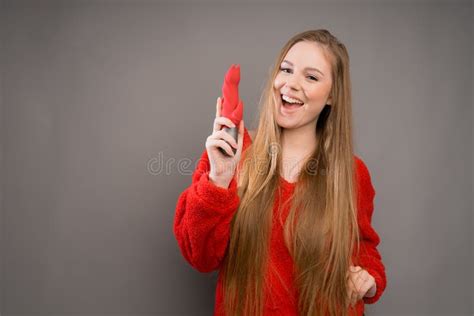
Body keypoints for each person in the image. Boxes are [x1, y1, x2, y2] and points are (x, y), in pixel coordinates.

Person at [173, 29, 387, 316]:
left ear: (332, 96)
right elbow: (199, 256)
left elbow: (362, 247)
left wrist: (367, 279)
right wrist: (218, 180)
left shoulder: (352, 173)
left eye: (311, 77)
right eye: (286, 70)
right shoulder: (232, 152)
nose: (291, 84)